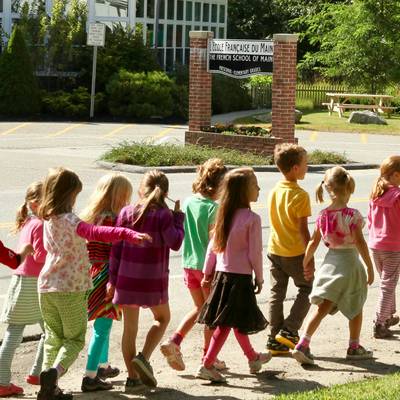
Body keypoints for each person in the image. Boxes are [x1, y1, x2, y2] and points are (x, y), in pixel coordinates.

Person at [36, 167, 151, 400]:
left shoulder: (48, 219)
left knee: (53, 338)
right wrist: (128, 234)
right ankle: (55, 373)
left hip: (46, 286)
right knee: (75, 339)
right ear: (68, 195)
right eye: (74, 194)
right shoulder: (71, 220)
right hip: (71, 287)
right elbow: (96, 232)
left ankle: (47, 385)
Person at [108, 170, 184, 392]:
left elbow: (117, 247)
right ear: (166, 192)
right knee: (162, 318)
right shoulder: (164, 215)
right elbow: (175, 242)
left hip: (126, 278)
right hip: (152, 280)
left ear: (142, 188)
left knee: (129, 330)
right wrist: (178, 218)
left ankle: (132, 380)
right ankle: (144, 357)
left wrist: (112, 279)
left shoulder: (126, 212)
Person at [292, 166, 374, 365]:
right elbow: (361, 243)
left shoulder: (322, 216)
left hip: (330, 264)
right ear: (349, 188)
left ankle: (303, 343)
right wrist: (370, 268)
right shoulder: (352, 215)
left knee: (321, 308)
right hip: (350, 265)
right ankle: (354, 346)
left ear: (328, 189)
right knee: (356, 306)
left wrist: (305, 261)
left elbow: (313, 242)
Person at [196, 167, 270, 383]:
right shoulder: (251, 219)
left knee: (238, 321)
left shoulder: (224, 215)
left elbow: (212, 247)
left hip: (222, 276)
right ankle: (207, 364)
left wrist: (207, 273)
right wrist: (259, 276)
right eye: (255, 185)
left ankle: (253, 358)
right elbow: (254, 251)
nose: (258, 188)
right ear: (243, 191)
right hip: (240, 278)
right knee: (226, 324)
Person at [160, 159, 227, 372]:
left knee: (200, 308)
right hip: (207, 268)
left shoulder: (189, 202)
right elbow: (213, 241)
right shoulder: (214, 208)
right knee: (211, 314)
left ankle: (175, 341)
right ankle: (209, 356)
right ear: (218, 186)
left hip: (188, 265)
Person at [79, 173, 133, 392]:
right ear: (118, 196)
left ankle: (103, 365)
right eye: (125, 196)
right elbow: (116, 252)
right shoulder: (112, 220)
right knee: (102, 327)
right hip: (106, 276)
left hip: (92, 272)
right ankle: (90, 376)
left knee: (102, 324)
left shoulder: (92, 216)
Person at [266, 143, 313, 355]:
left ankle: (273, 337)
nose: (307, 167)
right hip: (294, 252)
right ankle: (289, 330)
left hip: (275, 250)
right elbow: (303, 231)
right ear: (295, 168)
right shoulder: (300, 195)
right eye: (305, 164)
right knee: (308, 288)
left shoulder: (274, 190)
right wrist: (309, 257)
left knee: (277, 293)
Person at [0, 182, 45, 397]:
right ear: (37, 203)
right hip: (34, 283)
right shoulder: (40, 225)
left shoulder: (29, 222)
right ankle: (35, 373)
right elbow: (40, 256)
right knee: (51, 331)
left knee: (15, 334)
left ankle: (34, 374)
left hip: (22, 281)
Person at [368, 155, 400, 338]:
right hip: (393, 247)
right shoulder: (397, 196)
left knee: (387, 282)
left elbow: (371, 220)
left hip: (376, 245)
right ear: (396, 175)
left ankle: (388, 315)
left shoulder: (376, 193)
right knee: (388, 284)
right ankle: (380, 323)